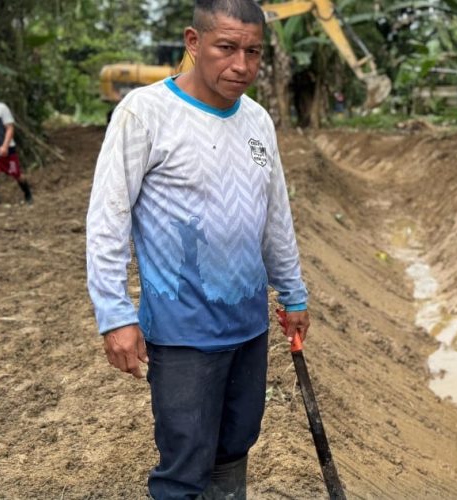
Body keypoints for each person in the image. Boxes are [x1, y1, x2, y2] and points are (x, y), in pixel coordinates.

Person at [85, 0, 311, 498]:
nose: (241, 66)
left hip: (248, 325)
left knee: (234, 446)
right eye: (226, 48)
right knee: (185, 463)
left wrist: (293, 294)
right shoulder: (144, 115)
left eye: (253, 52)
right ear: (193, 42)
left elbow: (275, 217)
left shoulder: (256, 121)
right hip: (183, 332)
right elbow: (107, 220)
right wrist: (114, 314)